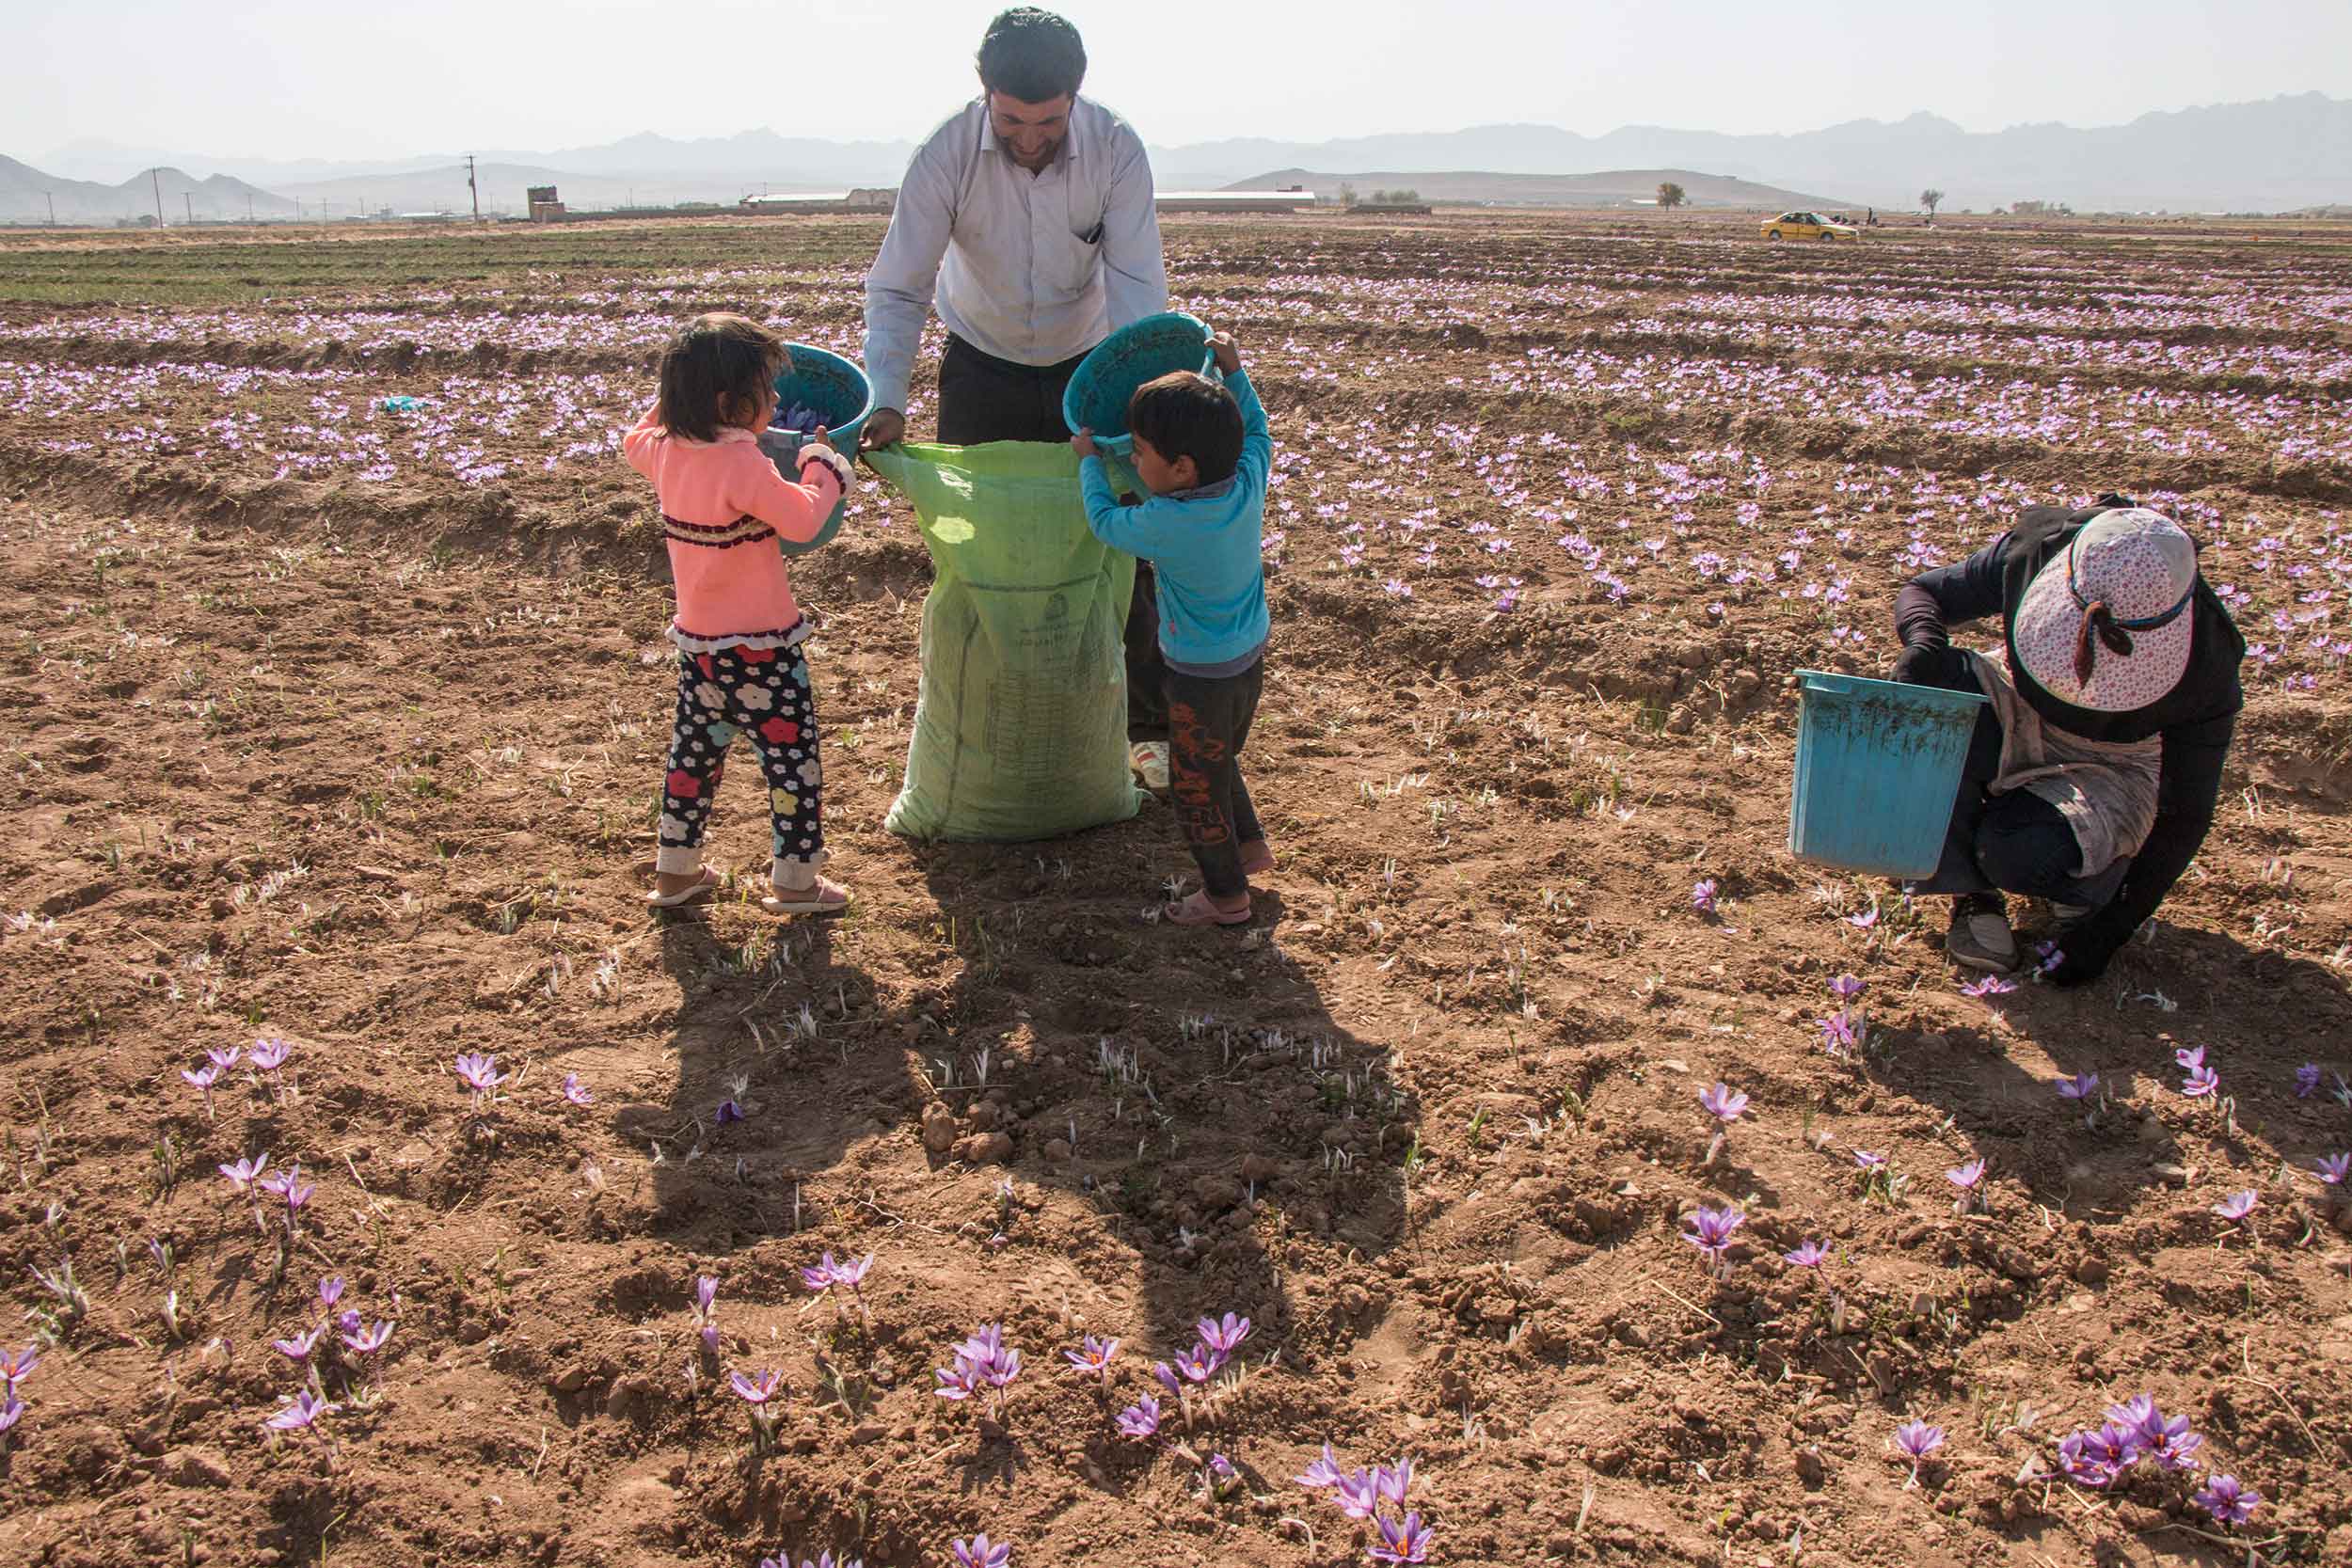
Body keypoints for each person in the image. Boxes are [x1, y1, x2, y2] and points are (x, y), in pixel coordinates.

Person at [859, 7, 1176, 789]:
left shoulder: (1116, 151)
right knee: (978, 547)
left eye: (1048, 122)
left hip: (1088, 368)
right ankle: (987, 718)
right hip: (982, 364)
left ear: (1076, 98)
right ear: (984, 95)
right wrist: (887, 398)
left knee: (1128, 545)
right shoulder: (944, 156)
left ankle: (1143, 733)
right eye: (1011, 120)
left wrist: (1133, 415)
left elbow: (1138, 291)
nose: (1030, 138)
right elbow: (899, 287)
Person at [1889, 498, 2245, 981]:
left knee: (2016, 852)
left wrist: (2113, 928)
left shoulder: (2207, 660)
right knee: (1937, 687)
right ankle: (1972, 895)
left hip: (2115, 763)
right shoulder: (2037, 551)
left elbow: (2185, 814)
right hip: (2018, 707)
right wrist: (1924, 643)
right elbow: (1924, 592)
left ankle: (2087, 884)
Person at [623, 313, 856, 916]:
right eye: (767, 391)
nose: (776, 402)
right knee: (792, 766)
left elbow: (633, 438)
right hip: (765, 656)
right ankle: (796, 883)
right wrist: (822, 466)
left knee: (693, 760)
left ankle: (676, 874)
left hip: (700, 651)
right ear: (729, 402)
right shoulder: (744, 464)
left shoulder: (666, 453)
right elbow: (804, 519)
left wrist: (671, 401)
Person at [1072, 332, 1272, 927]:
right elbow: (1257, 430)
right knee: (1218, 757)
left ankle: (1226, 898)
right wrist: (1236, 374)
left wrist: (1089, 463)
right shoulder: (1247, 481)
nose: (1131, 460)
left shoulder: (1165, 521)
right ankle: (1249, 848)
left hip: (1197, 675)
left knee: (1193, 785)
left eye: (1138, 451)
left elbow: (1106, 520)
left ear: (1181, 468)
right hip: (1248, 660)